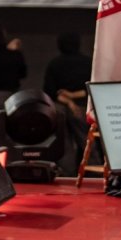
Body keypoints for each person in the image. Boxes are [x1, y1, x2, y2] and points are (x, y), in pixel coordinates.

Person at [42, 33, 93, 174]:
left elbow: (50, 91)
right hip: (83, 107)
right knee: (86, 142)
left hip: (60, 108)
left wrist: (68, 100)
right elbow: (92, 87)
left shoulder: (54, 64)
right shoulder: (88, 62)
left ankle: (66, 174)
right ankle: (89, 172)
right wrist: (74, 97)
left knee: (63, 143)